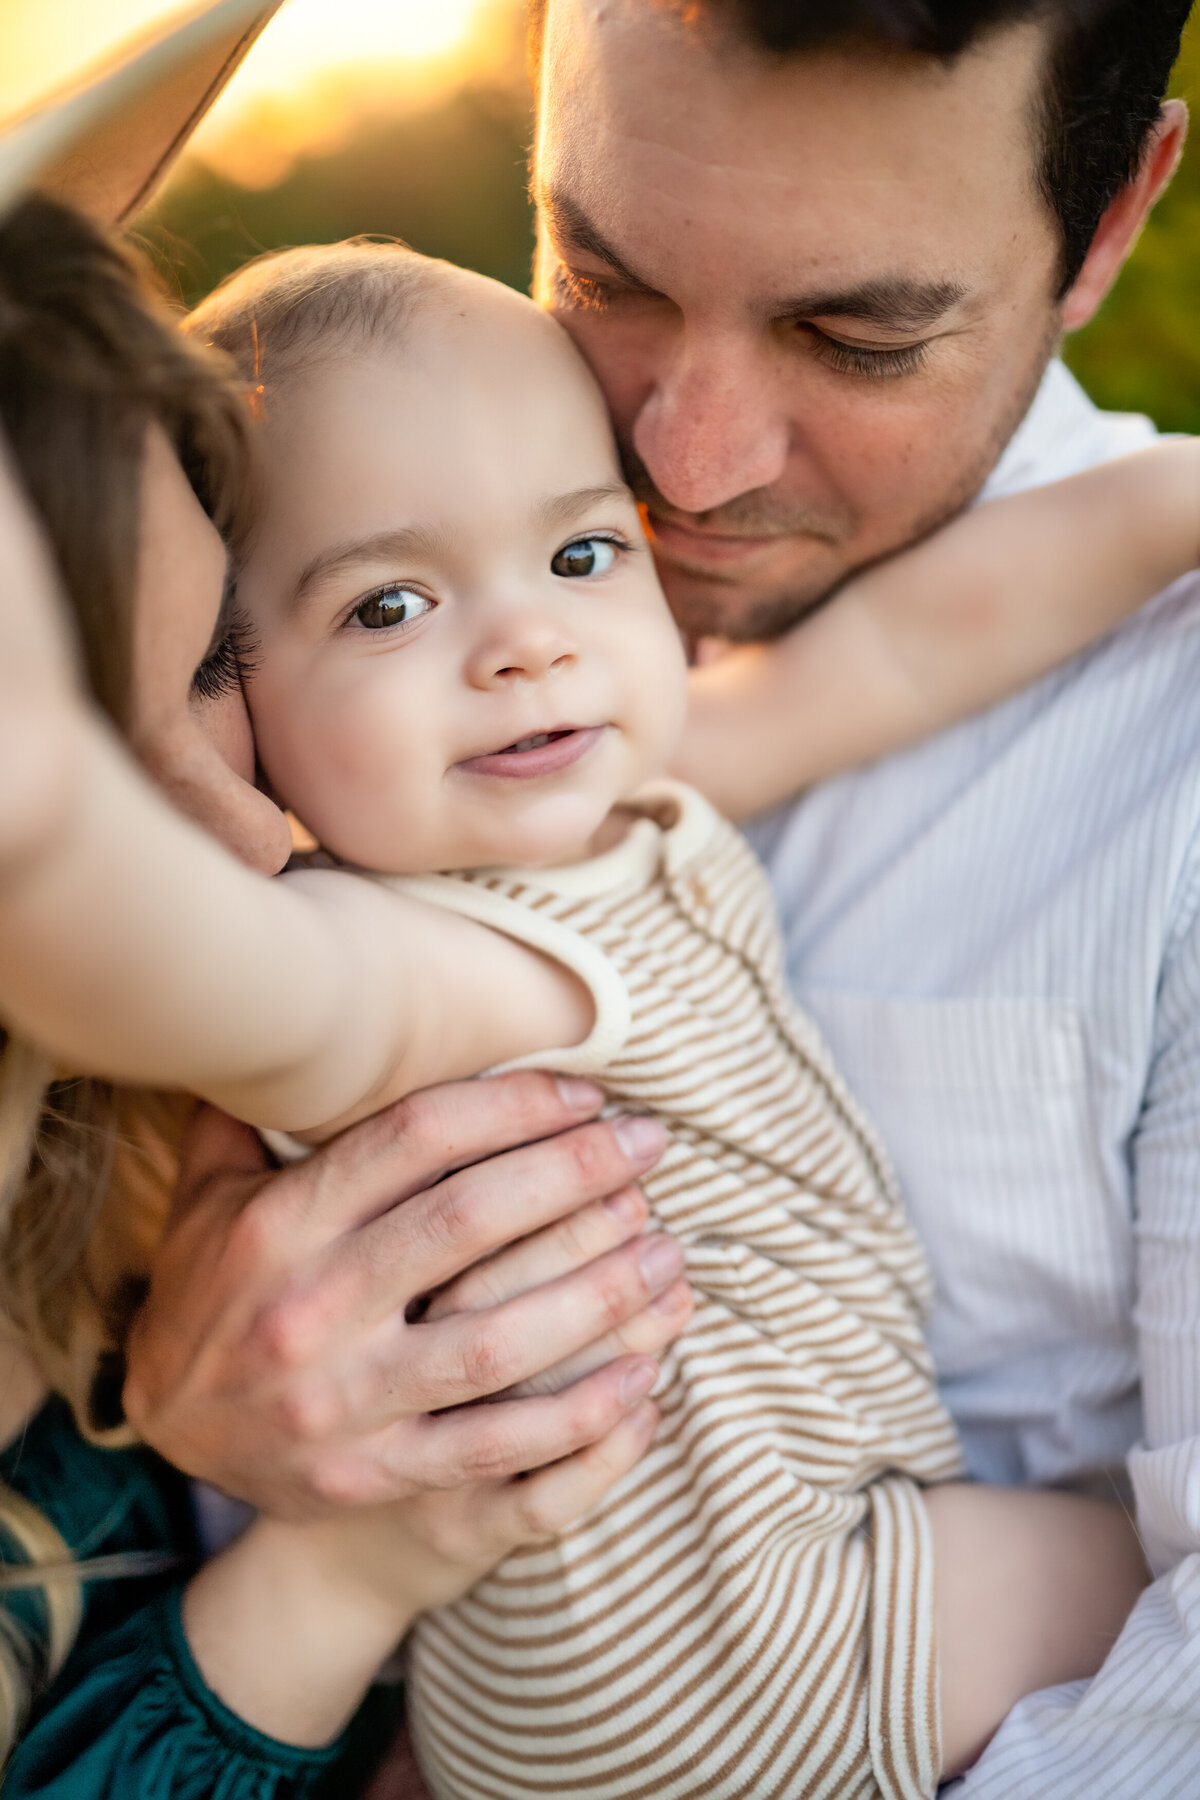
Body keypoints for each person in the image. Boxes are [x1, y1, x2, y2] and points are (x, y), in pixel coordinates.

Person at [8, 221, 1196, 1791]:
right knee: (1148, 1582)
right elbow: (194, 960)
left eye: (581, 554)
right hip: (727, 1644)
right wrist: (36, 806)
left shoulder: (637, 806)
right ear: (247, 711)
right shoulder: (414, 968)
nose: (524, 642)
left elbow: (916, 646)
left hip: (642, 1635)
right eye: (386, 607)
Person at [524, 0, 1200, 1791]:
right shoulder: (324, 487)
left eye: (857, 336)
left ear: (1113, 218)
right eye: (605, 276)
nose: (686, 458)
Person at [0, 177, 697, 1792]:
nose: (251, 826)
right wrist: (350, 1570)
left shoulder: (144, 1146)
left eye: (203, 678)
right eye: (93, 741)